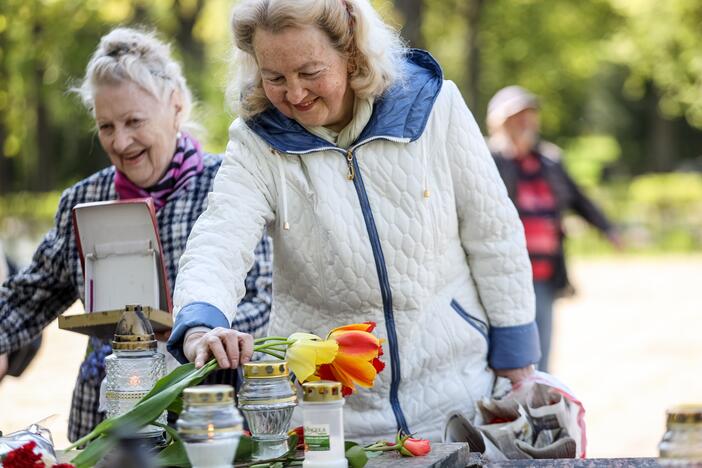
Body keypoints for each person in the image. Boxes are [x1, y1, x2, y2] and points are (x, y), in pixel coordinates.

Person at [167, 0, 540, 442]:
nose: (295, 94)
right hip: (327, 409)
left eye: (309, 72)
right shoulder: (256, 142)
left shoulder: (436, 106)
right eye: (274, 77)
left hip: (455, 395)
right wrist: (201, 321)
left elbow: (493, 232)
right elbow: (219, 239)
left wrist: (516, 353)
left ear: (351, 50)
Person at [0, 27, 273, 441]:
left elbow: (262, 299)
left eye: (134, 121)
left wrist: (192, 331)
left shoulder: (230, 185)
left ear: (176, 106)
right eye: (106, 126)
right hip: (106, 422)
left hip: (207, 417)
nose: (120, 141)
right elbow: (29, 297)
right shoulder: (85, 198)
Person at [487, 85, 621, 372]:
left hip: (545, 272)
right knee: (506, 355)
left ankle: (537, 411)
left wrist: (608, 229)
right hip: (503, 274)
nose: (525, 121)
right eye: (516, 115)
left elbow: (578, 198)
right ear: (499, 121)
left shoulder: (549, 160)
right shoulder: (487, 159)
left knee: (540, 351)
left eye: (529, 114)